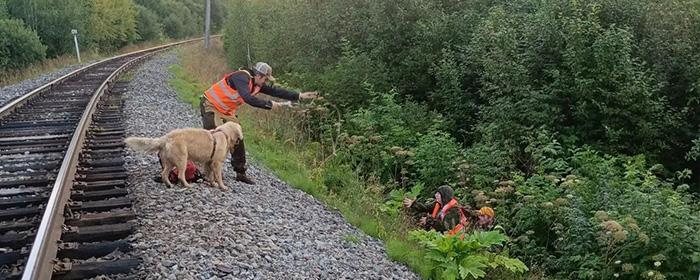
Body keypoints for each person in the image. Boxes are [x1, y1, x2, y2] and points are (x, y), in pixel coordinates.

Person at [200, 62, 318, 184]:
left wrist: (299, 96)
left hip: (226, 110)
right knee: (213, 137)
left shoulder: (256, 84)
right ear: (259, 75)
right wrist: (269, 104)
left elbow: (276, 92)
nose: (265, 82)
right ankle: (209, 173)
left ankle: (240, 172)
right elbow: (248, 98)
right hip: (211, 104)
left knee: (238, 136)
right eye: (265, 79)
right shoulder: (241, 77)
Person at [403, 185, 496, 236]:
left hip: (454, 239)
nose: (436, 195)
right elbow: (426, 208)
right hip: (444, 235)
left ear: (444, 196)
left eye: (438, 194)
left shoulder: (454, 210)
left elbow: (445, 226)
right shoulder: (439, 204)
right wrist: (413, 204)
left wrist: (428, 220)